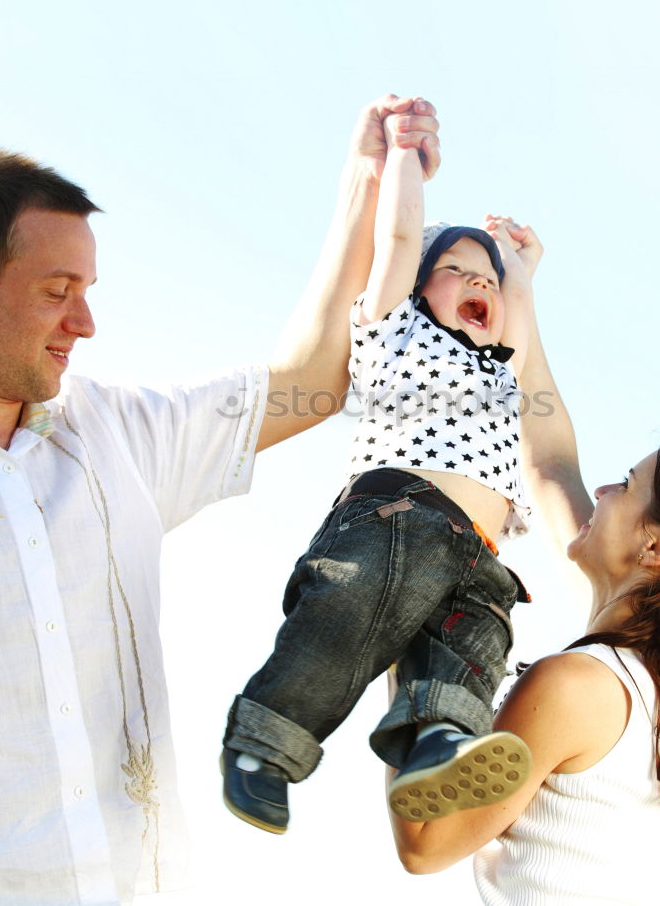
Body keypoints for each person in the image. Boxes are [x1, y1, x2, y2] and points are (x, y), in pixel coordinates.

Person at [0, 95, 439, 905]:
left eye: (89, 288)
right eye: (56, 290)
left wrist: (367, 177)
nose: (86, 321)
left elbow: (311, 383)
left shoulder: (121, 433)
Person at [388, 219, 660, 905]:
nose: (602, 491)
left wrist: (397, 615)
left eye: (626, 487)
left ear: (659, 546)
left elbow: (428, 840)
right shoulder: (652, 687)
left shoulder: (578, 686)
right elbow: (549, 462)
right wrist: (517, 297)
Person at [222, 117, 540, 836]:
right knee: (344, 620)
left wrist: (519, 264)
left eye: (486, 276)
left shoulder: (499, 368)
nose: (479, 282)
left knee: (470, 644)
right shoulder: (395, 328)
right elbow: (397, 241)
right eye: (458, 269)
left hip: (479, 555)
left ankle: (438, 742)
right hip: (398, 516)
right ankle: (263, 746)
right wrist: (404, 165)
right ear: (419, 287)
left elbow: (516, 306)